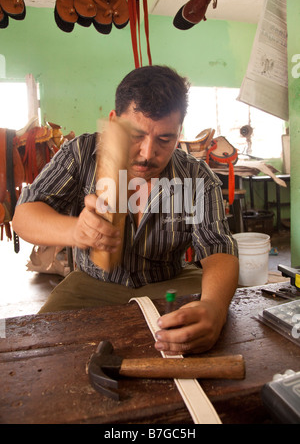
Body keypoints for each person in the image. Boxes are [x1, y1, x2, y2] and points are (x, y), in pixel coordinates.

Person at [12, 65, 239, 355]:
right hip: (92, 283)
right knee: (46, 353)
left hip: (169, 283)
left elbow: (218, 247)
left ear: (179, 130)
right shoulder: (80, 154)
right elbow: (23, 216)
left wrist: (214, 307)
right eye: (136, 135)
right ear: (114, 121)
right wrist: (76, 231)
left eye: (164, 139)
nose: (147, 153)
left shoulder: (198, 177)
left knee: (211, 340)